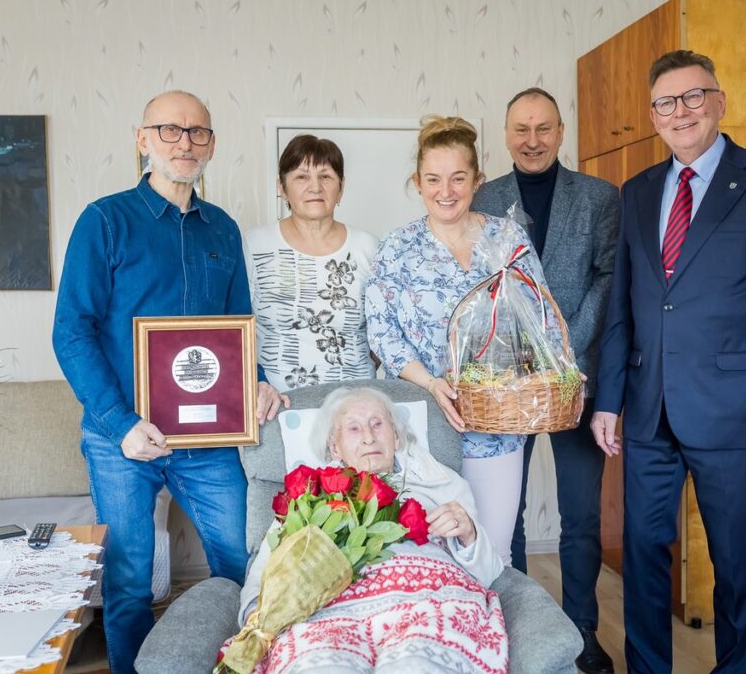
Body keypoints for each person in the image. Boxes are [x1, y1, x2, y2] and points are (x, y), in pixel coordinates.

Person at [591, 50, 746, 673]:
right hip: (650, 409)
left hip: (738, 415)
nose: (680, 112)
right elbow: (624, 308)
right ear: (653, 117)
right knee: (641, 554)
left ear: (719, 101)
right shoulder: (637, 192)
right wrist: (609, 399)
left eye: (693, 97)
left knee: (736, 564)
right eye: (666, 102)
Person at [52, 90, 289, 672]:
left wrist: (256, 382)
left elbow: (239, 330)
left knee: (245, 560)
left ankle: (239, 663)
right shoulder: (104, 221)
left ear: (211, 145)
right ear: (143, 140)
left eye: (198, 133)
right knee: (130, 580)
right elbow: (71, 332)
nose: (185, 142)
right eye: (170, 130)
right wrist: (120, 423)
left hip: (208, 442)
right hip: (124, 440)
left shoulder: (222, 230)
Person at [473, 87, 619, 674]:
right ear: (506, 135)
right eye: (520, 129)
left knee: (581, 515)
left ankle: (583, 632)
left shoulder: (600, 197)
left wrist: (563, 351)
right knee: (503, 514)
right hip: (504, 383)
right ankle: (517, 626)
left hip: (577, 380)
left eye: (543, 128)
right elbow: (478, 284)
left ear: (562, 131)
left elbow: (609, 278)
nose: (532, 140)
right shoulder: (484, 196)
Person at [365, 115, 549, 566]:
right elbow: (382, 333)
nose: (445, 191)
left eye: (457, 178)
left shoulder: (507, 239)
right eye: (432, 179)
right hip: (420, 425)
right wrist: (431, 384)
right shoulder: (398, 248)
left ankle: (493, 635)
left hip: (494, 425)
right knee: (426, 554)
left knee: (494, 552)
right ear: (417, 182)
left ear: (477, 180)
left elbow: (537, 315)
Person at [234, 386, 507, 673]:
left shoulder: (442, 483)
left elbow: (489, 575)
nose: (368, 437)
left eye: (378, 424)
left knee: (417, 663)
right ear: (334, 446)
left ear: (397, 435)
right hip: (329, 615)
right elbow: (262, 576)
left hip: (426, 606)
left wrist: (469, 535)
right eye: (353, 428)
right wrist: (259, 622)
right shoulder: (309, 497)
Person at [243, 135, 378, 391]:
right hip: (275, 402)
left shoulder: (369, 247)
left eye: (325, 176)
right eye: (301, 176)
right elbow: (236, 323)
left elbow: (385, 330)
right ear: (281, 187)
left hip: (356, 400)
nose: (315, 187)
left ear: (341, 186)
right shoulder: (254, 245)